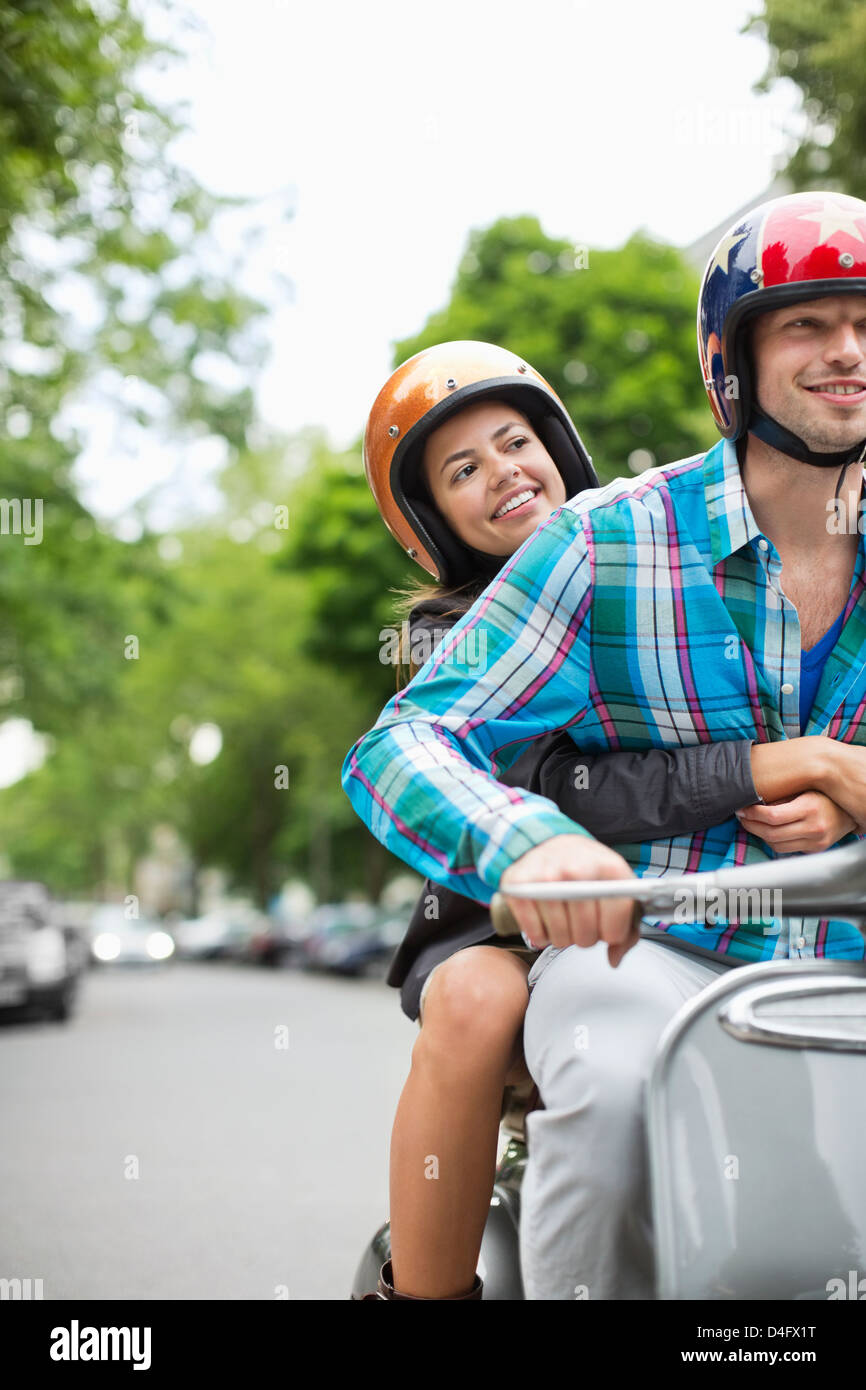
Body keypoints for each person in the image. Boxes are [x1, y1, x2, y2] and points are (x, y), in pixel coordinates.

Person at [343, 189, 866, 1299]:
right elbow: (409, 743)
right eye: (807, 323)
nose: (847, 351)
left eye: (865, 321)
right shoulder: (602, 543)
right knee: (615, 1087)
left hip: (844, 947)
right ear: (731, 361)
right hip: (642, 941)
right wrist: (526, 839)